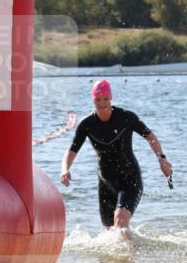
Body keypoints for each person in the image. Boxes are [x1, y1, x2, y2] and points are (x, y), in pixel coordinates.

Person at [60, 79, 172, 236]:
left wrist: (162, 159)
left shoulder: (126, 117)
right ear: (93, 100)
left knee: (120, 221)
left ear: (110, 98)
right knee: (108, 233)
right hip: (106, 183)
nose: (102, 103)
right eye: (98, 99)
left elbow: (150, 137)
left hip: (130, 179)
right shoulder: (87, 124)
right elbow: (71, 151)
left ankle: (128, 259)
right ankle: (123, 256)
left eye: (105, 99)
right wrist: (65, 169)